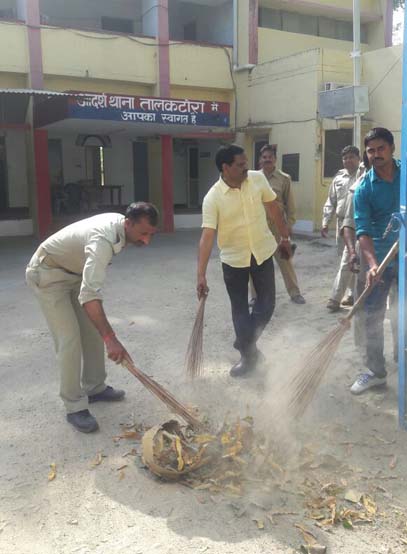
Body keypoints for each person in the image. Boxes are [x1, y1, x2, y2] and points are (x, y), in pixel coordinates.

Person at [26, 202, 159, 432]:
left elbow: (88, 290)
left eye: (151, 234)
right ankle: (74, 406)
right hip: (48, 275)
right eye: (143, 233)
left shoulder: (121, 226)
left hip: (73, 273)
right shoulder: (102, 242)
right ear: (128, 223)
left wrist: (104, 334)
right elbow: (90, 296)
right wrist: (112, 339)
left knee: (93, 330)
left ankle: (95, 387)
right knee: (69, 339)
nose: (147, 241)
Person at [197, 144, 291, 377]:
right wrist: (201, 274)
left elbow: (274, 208)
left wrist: (285, 237)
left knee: (267, 305)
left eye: (246, 163)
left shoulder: (257, 179)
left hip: (262, 251)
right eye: (240, 165)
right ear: (225, 168)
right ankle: (248, 357)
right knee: (239, 308)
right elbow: (207, 236)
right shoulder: (213, 198)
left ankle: (244, 341)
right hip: (233, 259)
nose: (246, 168)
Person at [351, 127, 400, 395]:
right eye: (371, 151)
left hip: (404, 256)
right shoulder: (364, 189)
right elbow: (363, 231)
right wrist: (371, 264)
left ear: (392, 148)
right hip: (380, 259)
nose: (376, 154)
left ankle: (402, 362)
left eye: (381, 148)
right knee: (372, 315)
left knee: (402, 314)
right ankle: (376, 372)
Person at [258, 145, 305, 304]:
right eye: (264, 157)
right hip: (258, 228)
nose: (267, 159)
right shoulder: (253, 178)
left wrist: (289, 225)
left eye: (270, 157)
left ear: (275, 159)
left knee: (285, 261)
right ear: (260, 160)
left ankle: (295, 293)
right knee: (257, 263)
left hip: (278, 227)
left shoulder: (284, 179)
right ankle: (255, 296)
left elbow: (290, 205)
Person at [321, 145, 360, 312]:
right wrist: (325, 221)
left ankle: (335, 298)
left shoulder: (364, 174)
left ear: (358, 159)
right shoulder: (338, 178)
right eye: (345, 158)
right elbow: (331, 200)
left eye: (352, 157)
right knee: (347, 260)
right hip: (340, 223)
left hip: (356, 224)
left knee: (347, 260)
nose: (348, 160)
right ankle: (352, 293)